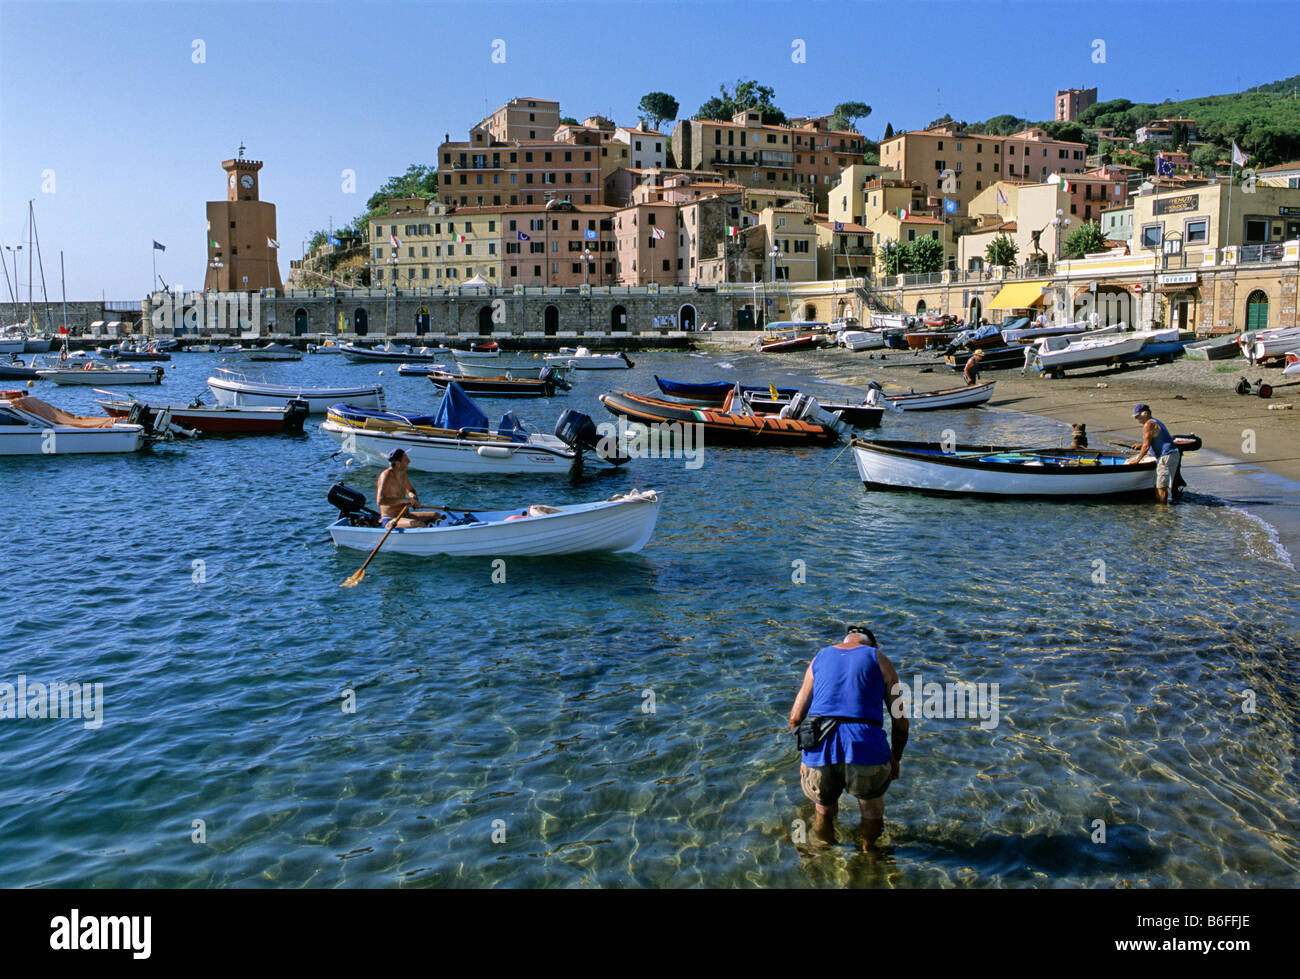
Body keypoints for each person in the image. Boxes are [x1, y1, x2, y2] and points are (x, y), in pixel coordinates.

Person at [789, 626, 909, 847]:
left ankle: (824, 854)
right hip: (865, 747)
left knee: (823, 810)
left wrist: (806, 756)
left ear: (845, 642)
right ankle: (869, 856)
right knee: (871, 812)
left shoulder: (819, 657)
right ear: (874, 645)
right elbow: (900, 723)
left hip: (820, 749)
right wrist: (896, 758)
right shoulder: (880, 659)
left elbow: (795, 718)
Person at [1125, 403, 1180, 503]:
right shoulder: (1155, 422)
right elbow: (1152, 441)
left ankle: (1162, 509)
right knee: (1158, 485)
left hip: (1166, 456)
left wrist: (1137, 460)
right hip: (1169, 455)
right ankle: (1160, 506)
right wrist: (1140, 446)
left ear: (1145, 414)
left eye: (1137, 416)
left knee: (1161, 486)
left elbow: (1146, 446)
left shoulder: (1149, 424)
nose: (1137, 420)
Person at [376, 448, 445, 527]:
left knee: (436, 516)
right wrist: (406, 500)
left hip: (406, 515)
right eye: (406, 459)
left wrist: (414, 498)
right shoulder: (385, 476)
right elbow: (380, 501)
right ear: (398, 463)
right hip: (391, 519)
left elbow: (410, 490)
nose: (409, 461)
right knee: (418, 524)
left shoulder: (402, 474)